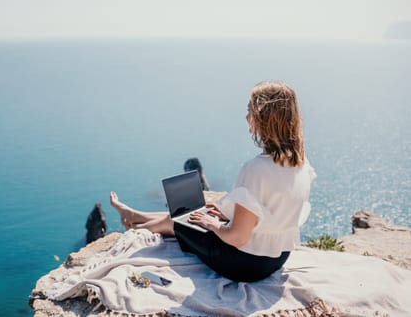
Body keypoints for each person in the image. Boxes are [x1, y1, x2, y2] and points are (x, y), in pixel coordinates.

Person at [110, 80, 316, 282]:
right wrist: (227, 217)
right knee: (194, 213)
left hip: (245, 265)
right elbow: (271, 212)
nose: (246, 117)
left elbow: (237, 238)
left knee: (182, 220)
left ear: (264, 119)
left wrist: (215, 225)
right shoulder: (301, 163)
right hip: (277, 257)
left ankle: (134, 230)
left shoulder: (256, 168)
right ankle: (135, 215)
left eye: (250, 110)